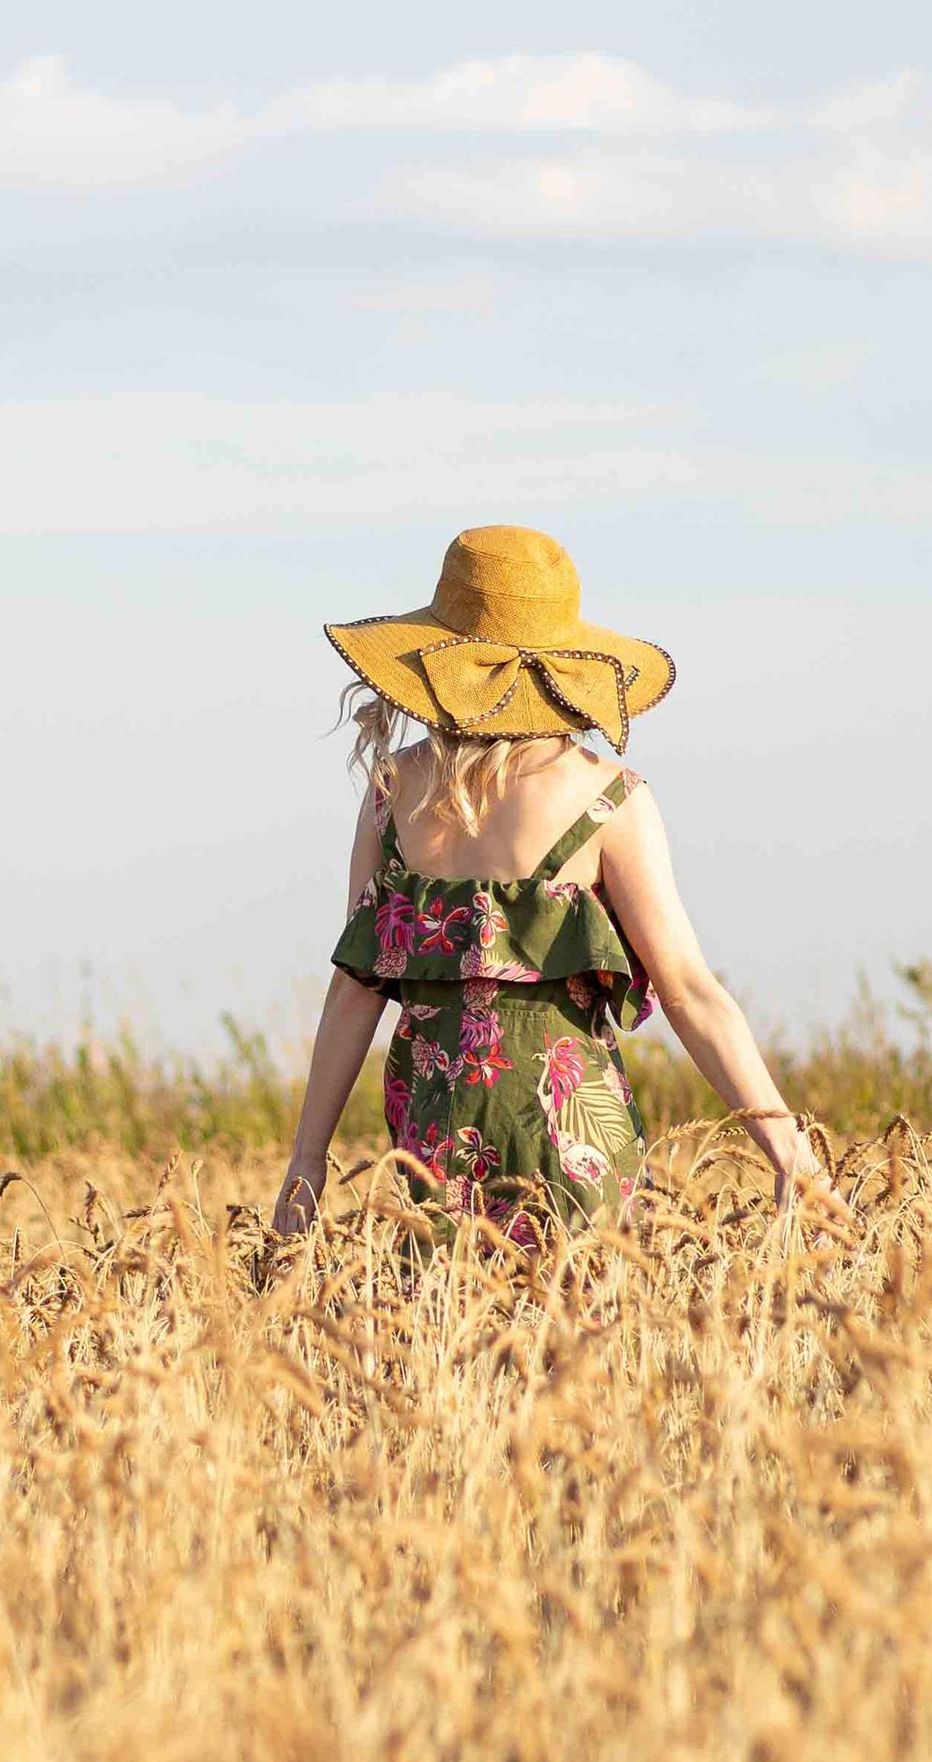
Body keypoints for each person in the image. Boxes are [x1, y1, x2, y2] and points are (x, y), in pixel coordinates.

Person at [272, 522, 819, 1248]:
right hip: (576, 1140)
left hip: (433, 1140)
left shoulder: (391, 791)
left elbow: (353, 992)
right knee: (586, 1350)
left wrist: (308, 1160)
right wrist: (785, 1145)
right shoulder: (608, 800)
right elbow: (689, 990)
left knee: (442, 1350)